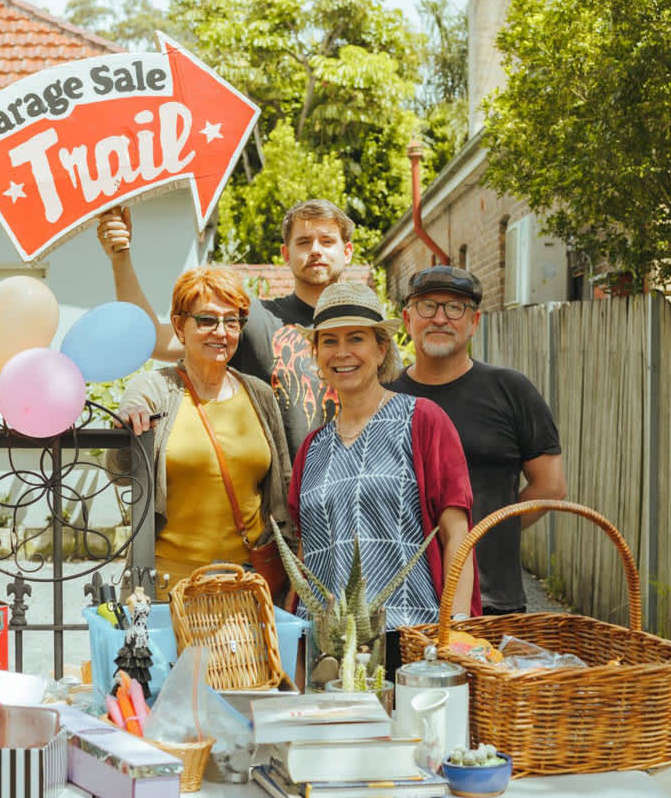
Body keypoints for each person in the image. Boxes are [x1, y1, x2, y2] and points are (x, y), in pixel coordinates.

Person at [288, 282, 481, 676]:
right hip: (329, 653)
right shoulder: (312, 447)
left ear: (381, 349)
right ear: (317, 354)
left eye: (356, 338)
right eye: (329, 342)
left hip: (411, 641)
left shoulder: (422, 420)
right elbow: (306, 560)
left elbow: (457, 536)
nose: (342, 353)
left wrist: (457, 634)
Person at [97, 199, 354, 458]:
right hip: (279, 493)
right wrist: (120, 258)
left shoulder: (367, 329)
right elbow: (154, 340)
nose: (316, 250)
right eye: (304, 241)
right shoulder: (252, 319)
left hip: (357, 490)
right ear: (285, 254)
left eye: (327, 241)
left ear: (348, 251)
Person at [387, 266, 567, 615]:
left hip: (492, 600)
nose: (440, 318)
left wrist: (486, 532)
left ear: (475, 321)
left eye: (455, 307)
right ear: (408, 319)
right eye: (427, 307)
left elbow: (551, 486)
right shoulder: (386, 399)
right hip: (405, 603)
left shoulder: (510, 391)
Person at [108, 266, 294, 599]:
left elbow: (282, 482)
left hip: (245, 587)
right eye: (206, 320)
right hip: (167, 589)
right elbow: (122, 474)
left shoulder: (258, 394)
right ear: (180, 326)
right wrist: (126, 427)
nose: (220, 332)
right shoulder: (155, 388)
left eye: (232, 321)